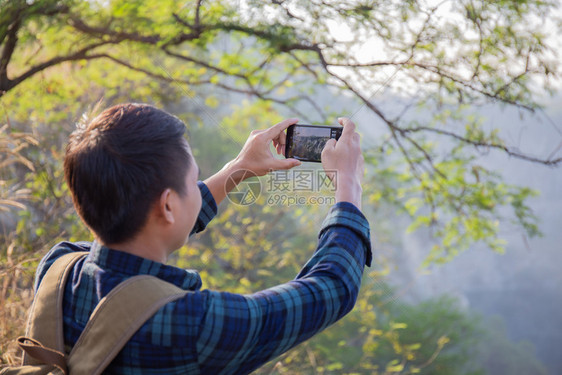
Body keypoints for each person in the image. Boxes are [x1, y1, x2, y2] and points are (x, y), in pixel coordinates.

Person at [34, 103, 372, 374]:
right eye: (193, 180)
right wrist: (349, 186)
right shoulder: (193, 326)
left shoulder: (57, 268)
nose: (197, 189)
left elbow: (147, 223)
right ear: (168, 205)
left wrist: (237, 169)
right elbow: (331, 289)